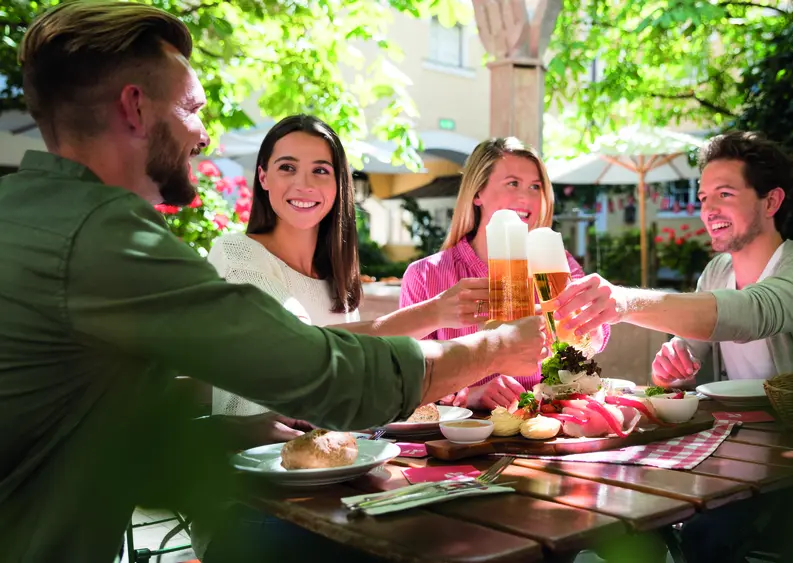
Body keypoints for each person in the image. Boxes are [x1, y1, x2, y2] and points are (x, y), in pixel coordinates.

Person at [0, 3, 546, 562]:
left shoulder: (32, 213)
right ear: (135, 108)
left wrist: (233, 427)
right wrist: (495, 346)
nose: (204, 134)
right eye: (191, 108)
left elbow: (94, 397)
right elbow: (323, 374)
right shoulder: (103, 237)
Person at [551, 131, 793, 562]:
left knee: (707, 538)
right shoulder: (716, 273)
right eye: (703, 196)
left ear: (771, 202)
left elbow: (751, 313)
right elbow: (687, 356)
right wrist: (669, 370)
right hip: (751, 467)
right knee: (648, 522)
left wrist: (622, 301)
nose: (708, 209)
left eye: (725, 193)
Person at [206, 114, 490, 421]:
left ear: (339, 184)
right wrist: (436, 313)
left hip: (339, 457)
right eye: (287, 168)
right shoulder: (236, 253)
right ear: (263, 177)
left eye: (320, 170)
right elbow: (303, 348)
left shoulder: (335, 278)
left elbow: (348, 384)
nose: (304, 184)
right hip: (255, 459)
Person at [399, 137, 611, 410]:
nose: (527, 197)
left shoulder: (555, 261)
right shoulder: (425, 275)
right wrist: (470, 394)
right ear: (477, 193)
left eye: (535, 187)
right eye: (513, 183)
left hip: (545, 419)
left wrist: (588, 328)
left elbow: (594, 337)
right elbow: (412, 377)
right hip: (467, 432)